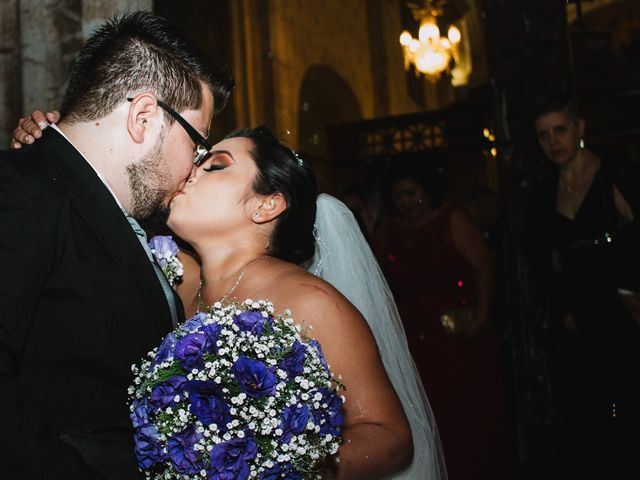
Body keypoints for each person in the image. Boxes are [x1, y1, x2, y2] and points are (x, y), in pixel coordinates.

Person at [12, 112, 449, 477]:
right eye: (196, 161)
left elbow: (390, 435)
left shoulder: (311, 301)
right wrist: (55, 153)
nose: (190, 172)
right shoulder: (165, 275)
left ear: (266, 205)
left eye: (215, 165)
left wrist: (274, 467)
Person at [0, 11, 233, 479]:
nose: (194, 166)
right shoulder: (19, 192)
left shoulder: (103, 209)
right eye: (198, 143)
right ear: (143, 116)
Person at [373, 162, 510, 480]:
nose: (405, 202)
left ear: (427, 189)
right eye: (398, 196)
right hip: (413, 337)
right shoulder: (389, 229)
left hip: (455, 333)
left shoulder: (453, 219)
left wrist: (481, 316)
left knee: (466, 411)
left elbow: (483, 269)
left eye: (411, 193)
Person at [526, 95, 640, 477]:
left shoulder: (614, 171)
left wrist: (629, 290)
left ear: (580, 129)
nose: (553, 141)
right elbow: (544, 262)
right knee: (588, 407)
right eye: (544, 135)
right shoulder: (543, 192)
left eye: (560, 130)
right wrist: (562, 310)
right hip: (576, 312)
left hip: (620, 302)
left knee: (625, 398)